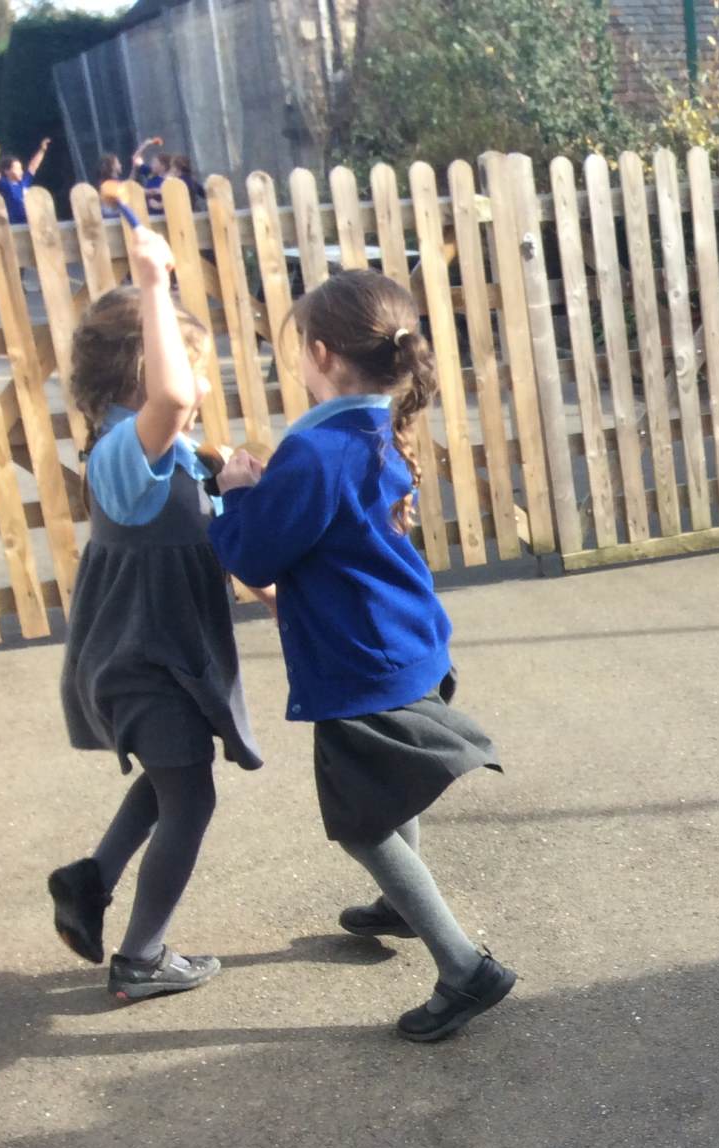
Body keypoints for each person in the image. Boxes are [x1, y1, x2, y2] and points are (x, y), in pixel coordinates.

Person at [208, 269, 514, 1043]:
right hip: (406, 640)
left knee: (359, 824)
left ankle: (464, 967)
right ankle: (400, 906)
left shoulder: (315, 450)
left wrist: (237, 493)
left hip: (358, 665)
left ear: (320, 354)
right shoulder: (376, 429)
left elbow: (256, 553)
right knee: (387, 790)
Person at [47, 224, 265, 1002]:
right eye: (192, 366)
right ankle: (141, 960)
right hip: (139, 662)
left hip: (165, 656)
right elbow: (172, 397)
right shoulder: (121, 455)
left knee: (176, 776)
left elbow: (207, 542)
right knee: (191, 797)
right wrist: (152, 283)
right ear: (144, 370)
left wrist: (231, 496)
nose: (198, 385)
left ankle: (89, 880)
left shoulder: (171, 458)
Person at [0, 138, 51, 224]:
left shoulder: (24, 182)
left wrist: (42, 150)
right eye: (17, 169)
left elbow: (33, 166)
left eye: (21, 168)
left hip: (30, 223)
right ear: (7, 171)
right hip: (15, 225)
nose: (20, 171)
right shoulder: (6, 185)